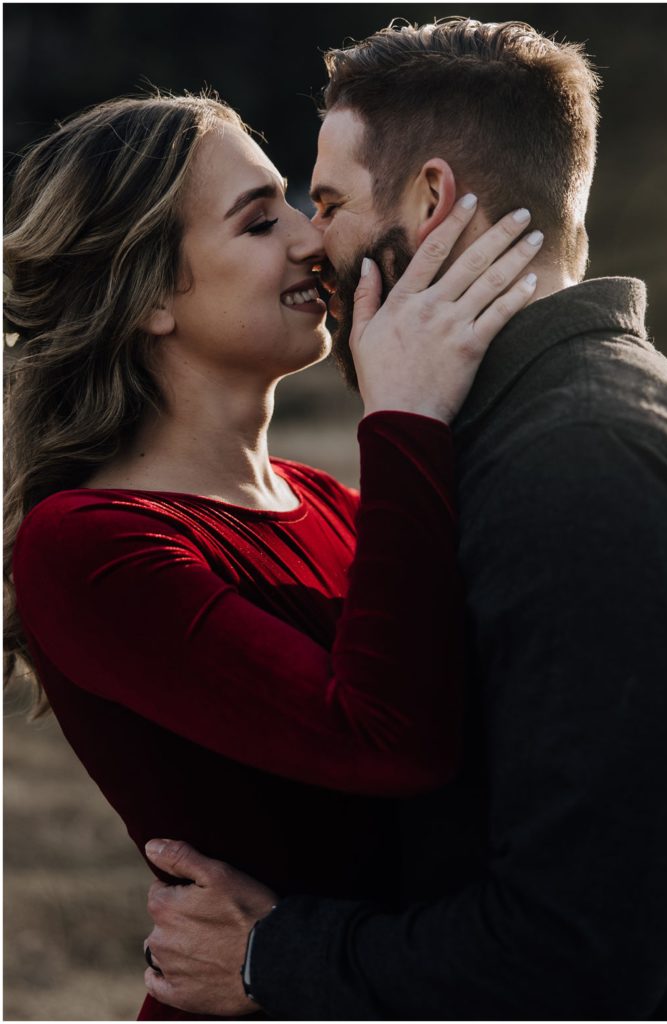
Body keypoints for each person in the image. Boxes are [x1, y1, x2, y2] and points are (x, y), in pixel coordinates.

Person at [142, 17, 667, 1022]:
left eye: (333, 201)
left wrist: (271, 961)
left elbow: (582, 956)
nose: (316, 243)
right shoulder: (550, 433)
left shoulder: (573, 465)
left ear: (432, 199)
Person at [4, 90, 541, 1021]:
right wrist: (403, 411)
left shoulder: (333, 504)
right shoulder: (88, 547)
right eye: (260, 222)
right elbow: (392, 744)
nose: (311, 239)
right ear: (150, 298)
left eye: (296, 203)